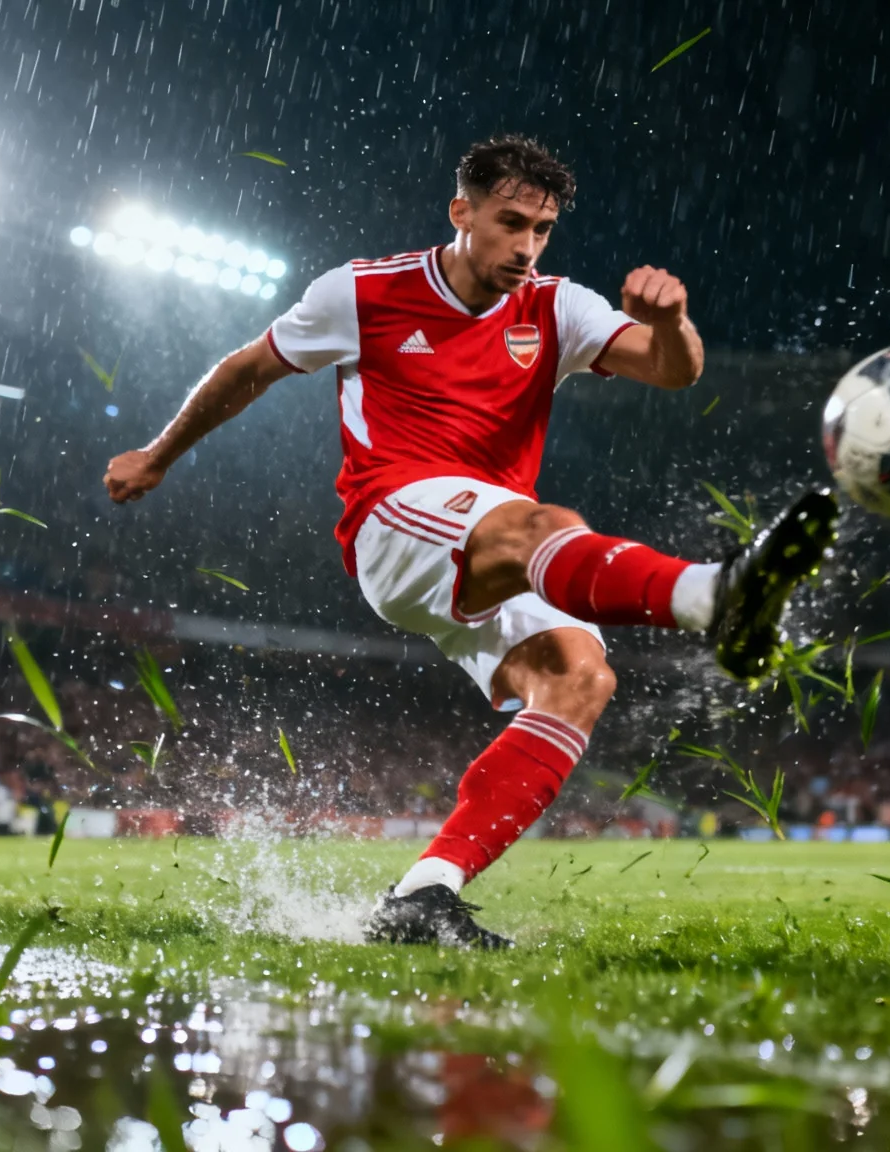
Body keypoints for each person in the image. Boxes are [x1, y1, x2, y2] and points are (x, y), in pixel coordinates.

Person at [105, 134, 835, 948]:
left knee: (580, 678)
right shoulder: (363, 292)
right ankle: (712, 596)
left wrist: (670, 324)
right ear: (463, 212)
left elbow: (674, 371)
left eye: (542, 230)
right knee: (548, 525)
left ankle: (425, 892)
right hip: (393, 522)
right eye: (510, 221)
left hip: (496, 546)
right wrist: (157, 455)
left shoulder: (557, 306)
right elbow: (248, 369)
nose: (525, 247)